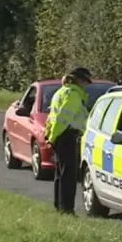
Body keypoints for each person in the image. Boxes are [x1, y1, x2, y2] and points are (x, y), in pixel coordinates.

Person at [44, 67, 93, 214]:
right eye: (85, 81)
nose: (86, 85)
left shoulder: (60, 92)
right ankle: (67, 209)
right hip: (66, 135)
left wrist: (50, 137)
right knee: (69, 175)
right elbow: (62, 119)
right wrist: (54, 136)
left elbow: (51, 118)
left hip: (60, 136)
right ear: (79, 80)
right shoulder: (73, 95)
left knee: (60, 173)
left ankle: (59, 206)